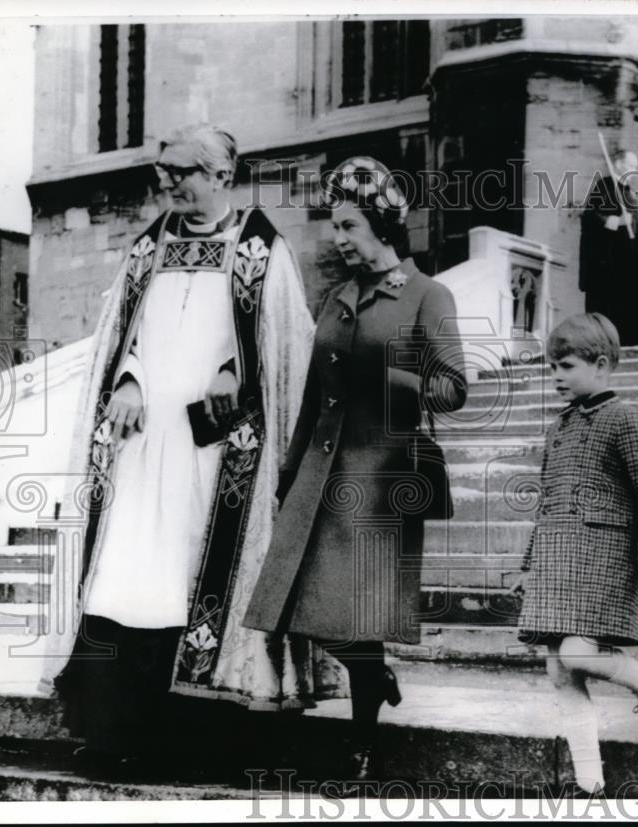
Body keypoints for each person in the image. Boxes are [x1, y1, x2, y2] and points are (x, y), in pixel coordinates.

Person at [38, 123, 326, 773]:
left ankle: (200, 743)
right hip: (143, 451)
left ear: (223, 176)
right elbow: (119, 331)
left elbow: (285, 343)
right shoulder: (148, 246)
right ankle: (114, 734)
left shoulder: (260, 247)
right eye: (163, 172)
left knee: (194, 580)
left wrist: (234, 365)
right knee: (125, 574)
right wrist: (130, 376)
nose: (168, 185)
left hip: (218, 453)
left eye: (182, 173)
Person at [244, 156, 468, 781]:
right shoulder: (337, 295)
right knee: (293, 606)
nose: (337, 238)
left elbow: (453, 389)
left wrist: (388, 377)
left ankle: (362, 743)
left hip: (379, 477)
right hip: (318, 471)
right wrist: (288, 471)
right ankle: (375, 677)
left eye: (348, 225)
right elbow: (315, 394)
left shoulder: (428, 294)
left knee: (357, 615)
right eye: (335, 225)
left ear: (382, 226)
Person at [513, 313, 638, 796]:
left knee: (578, 653)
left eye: (565, 366)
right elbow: (547, 503)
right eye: (552, 367)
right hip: (556, 563)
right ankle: (589, 784)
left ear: (601, 364)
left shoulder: (626, 419)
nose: (556, 377)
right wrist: (528, 564)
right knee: (560, 672)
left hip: (602, 561)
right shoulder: (559, 428)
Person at [579, 149, 638, 347]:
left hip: (629, 263)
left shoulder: (628, 191)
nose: (634, 170)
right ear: (618, 164)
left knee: (628, 306)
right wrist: (616, 221)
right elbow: (590, 216)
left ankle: (629, 337)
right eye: (631, 165)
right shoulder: (604, 186)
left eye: (636, 167)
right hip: (608, 263)